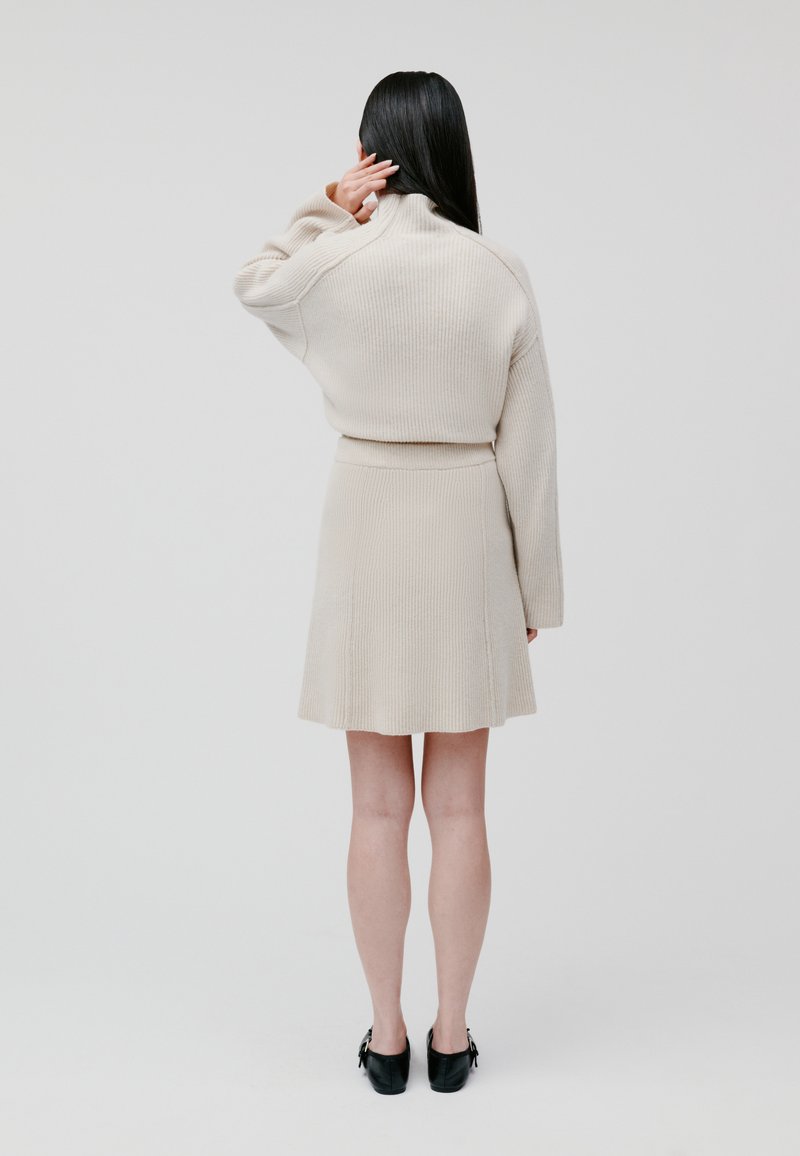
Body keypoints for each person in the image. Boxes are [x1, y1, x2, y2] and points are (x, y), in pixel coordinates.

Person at [232, 71, 564, 1095]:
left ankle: (385, 1038)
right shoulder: (498, 271)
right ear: (452, 150)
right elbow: (531, 451)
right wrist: (533, 594)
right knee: (459, 808)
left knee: (376, 810)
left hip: (365, 527)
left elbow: (255, 281)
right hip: (466, 533)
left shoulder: (335, 263)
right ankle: (450, 1037)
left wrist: (324, 206)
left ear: (371, 156)